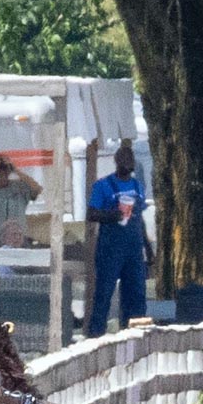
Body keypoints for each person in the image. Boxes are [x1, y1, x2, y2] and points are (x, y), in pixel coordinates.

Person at [85, 143, 152, 339]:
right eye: (123, 159)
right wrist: (111, 215)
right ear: (116, 161)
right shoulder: (103, 186)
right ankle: (95, 337)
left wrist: (148, 249)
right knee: (104, 294)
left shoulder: (137, 186)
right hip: (110, 249)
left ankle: (133, 336)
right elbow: (91, 214)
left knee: (136, 295)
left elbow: (139, 220)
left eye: (130, 159)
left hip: (134, 250)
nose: (127, 163)